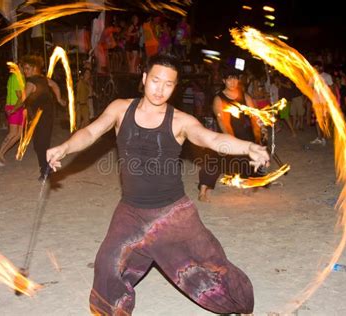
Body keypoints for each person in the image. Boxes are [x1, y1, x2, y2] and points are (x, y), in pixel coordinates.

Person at [47, 54, 268, 315]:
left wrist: (248, 146)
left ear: (175, 88)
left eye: (168, 84)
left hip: (173, 212)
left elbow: (212, 139)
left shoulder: (180, 121)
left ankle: (241, 303)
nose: (160, 89)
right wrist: (65, 147)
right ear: (144, 79)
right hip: (131, 210)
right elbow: (91, 132)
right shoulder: (120, 108)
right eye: (155, 80)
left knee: (212, 262)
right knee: (106, 263)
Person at [198, 68, 261, 202]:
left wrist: (258, 132)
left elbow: (254, 116)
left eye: (235, 78)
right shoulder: (219, 98)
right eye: (229, 79)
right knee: (213, 161)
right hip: (227, 136)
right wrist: (230, 138)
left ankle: (249, 182)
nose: (232, 82)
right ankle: (203, 192)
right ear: (224, 81)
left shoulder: (245, 96)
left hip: (245, 135)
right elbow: (221, 120)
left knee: (253, 157)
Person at [21, 55, 65, 180]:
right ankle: (46, 167)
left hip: (43, 117)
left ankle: (46, 170)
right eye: (24, 69)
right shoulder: (44, 79)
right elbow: (55, 85)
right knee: (39, 144)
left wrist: (14, 108)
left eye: (27, 68)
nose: (25, 71)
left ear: (35, 68)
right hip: (41, 117)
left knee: (41, 144)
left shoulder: (32, 82)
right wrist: (59, 99)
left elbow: (23, 98)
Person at [0, 71, 25, 165]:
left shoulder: (22, 77)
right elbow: (20, 96)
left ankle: (1, 153)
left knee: (19, 134)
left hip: (20, 107)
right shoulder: (15, 77)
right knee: (13, 133)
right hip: (13, 106)